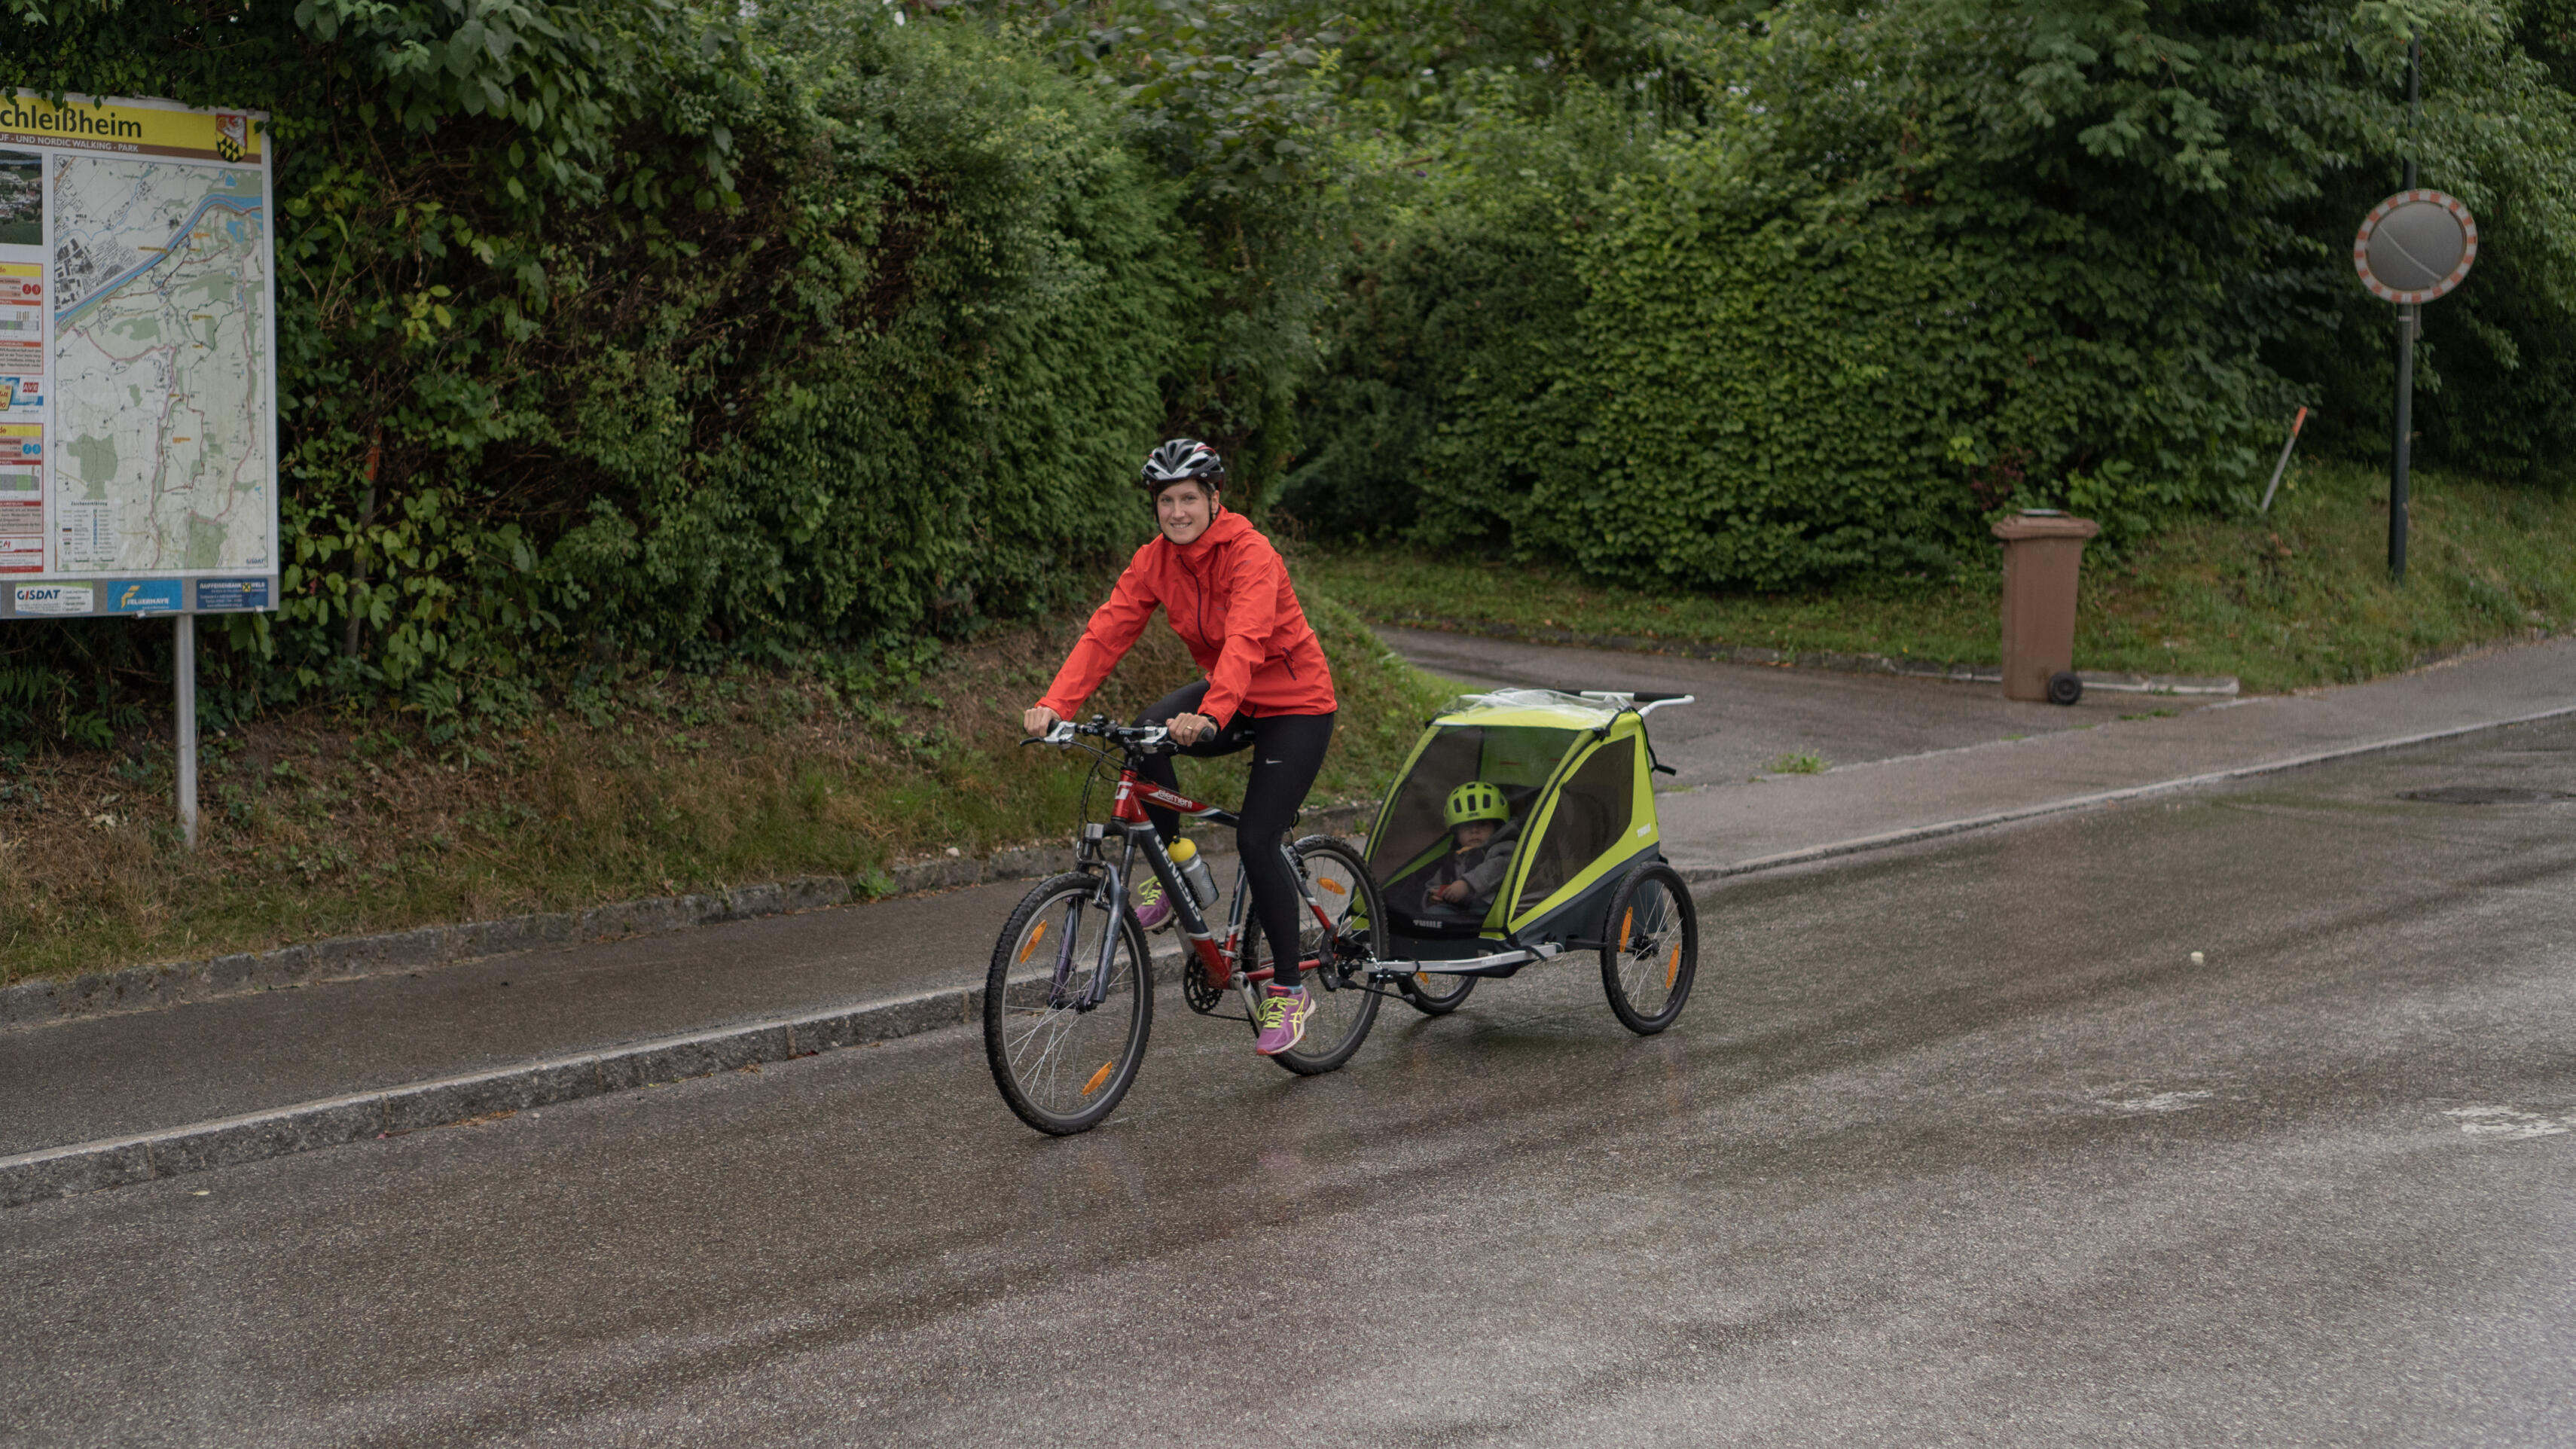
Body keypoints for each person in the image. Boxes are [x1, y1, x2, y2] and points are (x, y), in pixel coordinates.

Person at [1022, 438, 1338, 1057]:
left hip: (1295, 702)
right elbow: (1106, 632)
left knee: (1256, 839)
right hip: (1230, 696)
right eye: (1167, 500)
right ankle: (1179, 868)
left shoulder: (1252, 553)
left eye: (1189, 497)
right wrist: (1056, 705)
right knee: (1144, 735)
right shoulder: (1155, 561)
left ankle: (1289, 989)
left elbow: (1247, 638)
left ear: (1214, 499)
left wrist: (1210, 716)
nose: (1177, 511)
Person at [1423, 780, 1515, 917]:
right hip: (1458, 916)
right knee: (1434, 914)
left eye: (1482, 824)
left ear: (1496, 827)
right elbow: (1434, 884)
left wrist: (1468, 885)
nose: (1474, 831)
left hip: (1492, 914)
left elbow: (1502, 866)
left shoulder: (1504, 848)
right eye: (1467, 826)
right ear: (1456, 834)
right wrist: (1432, 896)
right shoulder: (1454, 858)